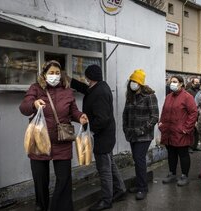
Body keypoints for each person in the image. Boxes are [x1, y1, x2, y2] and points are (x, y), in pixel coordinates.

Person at [19, 60, 88, 211]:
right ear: (44, 74)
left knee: (64, 180)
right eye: (51, 73)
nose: (54, 76)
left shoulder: (67, 90)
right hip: (39, 142)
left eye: (57, 73)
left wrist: (80, 116)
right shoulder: (35, 89)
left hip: (62, 142)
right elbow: (23, 108)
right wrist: (34, 104)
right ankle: (41, 207)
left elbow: (73, 111)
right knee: (40, 180)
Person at [68, 65, 126, 211]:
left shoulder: (99, 92)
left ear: (88, 77)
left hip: (102, 136)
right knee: (110, 163)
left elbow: (102, 119)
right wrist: (70, 81)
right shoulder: (99, 86)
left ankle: (107, 200)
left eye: (85, 77)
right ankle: (120, 190)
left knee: (104, 168)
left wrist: (90, 130)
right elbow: (86, 89)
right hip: (106, 135)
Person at [122, 69, 159, 200]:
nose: (133, 83)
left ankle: (143, 188)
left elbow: (154, 117)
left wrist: (142, 130)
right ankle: (139, 184)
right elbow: (125, 114)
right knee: (137, 160)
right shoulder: (130, 96)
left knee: (139, 159)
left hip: (144, 135)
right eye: (131, 80)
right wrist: (125, 129)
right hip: (132, 134)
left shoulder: (149, 96)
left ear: (140, 83)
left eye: (135, 81)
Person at [159, 75, 198, 187]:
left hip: (181, 131)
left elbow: (193, 113)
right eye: (171, 82)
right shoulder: (169, 96)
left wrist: (186, 128)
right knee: (171, 153)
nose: (172, 84)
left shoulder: (187, 97)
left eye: (175, 82)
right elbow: (164, 111)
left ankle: (184, 175)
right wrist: (161, 124)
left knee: (183, 154)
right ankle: (172, 174)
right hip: (168, 131)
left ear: (181, 83)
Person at [186, 77, 201, 152]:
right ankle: (189, 146)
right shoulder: (188, 91)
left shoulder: (199, 91)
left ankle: (195, 146)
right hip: (191, 113)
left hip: (198, 113)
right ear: (192, 83)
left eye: (198, 82)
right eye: (196, 82)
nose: (198, 84)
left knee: (197, 131)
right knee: (191, 130)